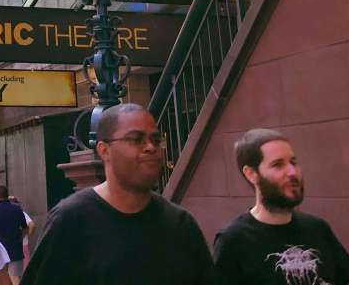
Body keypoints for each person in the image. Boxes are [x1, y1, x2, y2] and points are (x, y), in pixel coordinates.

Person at [21, 104, 216, 285]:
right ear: (104, 150)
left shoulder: (181, 224)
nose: (150, 147)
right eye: (136, 139)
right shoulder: (70, 221)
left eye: (156, 140)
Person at [214, 128, 349, 284]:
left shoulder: (318, 228)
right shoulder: (233, 241)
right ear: (251, 174)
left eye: (293, 162)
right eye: (278, 164)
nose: (292, 172)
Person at [0, 187, 28, 284]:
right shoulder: (17, 209)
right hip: (15, 248)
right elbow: (25, 228)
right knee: (15, 278)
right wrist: (20, 238)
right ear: (7, 195)